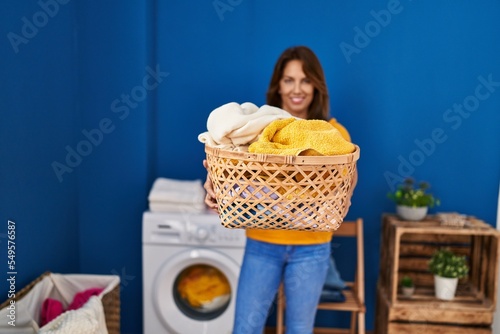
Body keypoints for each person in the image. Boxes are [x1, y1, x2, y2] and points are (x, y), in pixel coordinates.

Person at [204, 46, 356, 334]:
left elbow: (348, 176)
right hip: (263, 242)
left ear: (316, 86)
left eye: (305, 80)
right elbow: (232, 170)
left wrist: (347, 193)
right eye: (288, 80)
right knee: (246, 329)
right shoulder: (260, 133)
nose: (297, 89)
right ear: (278, 85)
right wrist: (214, 183)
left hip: (312, 246)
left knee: (300, 329)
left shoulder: (334, 134)